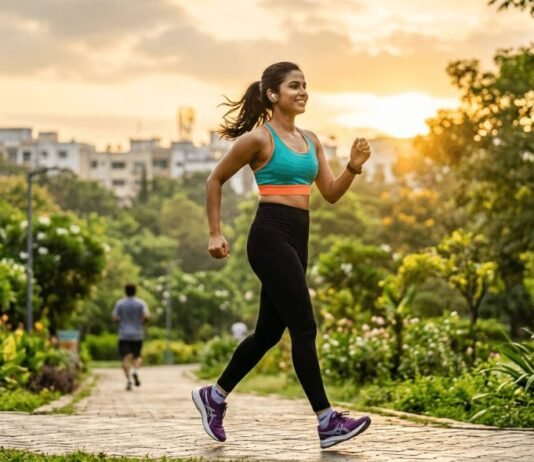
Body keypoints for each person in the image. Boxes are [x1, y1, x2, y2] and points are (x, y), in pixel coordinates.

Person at [192, 62, 372, 449]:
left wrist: (353, 168)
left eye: (305, 85)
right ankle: (327, 421)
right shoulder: (260, 138)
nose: (303, 91)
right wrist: (214, 232)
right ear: (273, 94)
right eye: (294, 86)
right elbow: (215, 179)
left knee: (269, 333)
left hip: (297, 236)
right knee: (304, 328)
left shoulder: (311, 139)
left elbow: (331, 193)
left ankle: (215, 396)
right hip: (269, 235)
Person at [112, 283, 150, 391]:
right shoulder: (141, 303)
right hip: (137, 334)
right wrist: (142, 321)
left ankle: (128, 380)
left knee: (125, 358)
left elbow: (114, 317)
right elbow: (147, 316)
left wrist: (121, 319)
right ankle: (135, 371)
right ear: (135, 291)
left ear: (125, 291)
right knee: (137, 356)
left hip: (123, 334)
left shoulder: (120, 303)